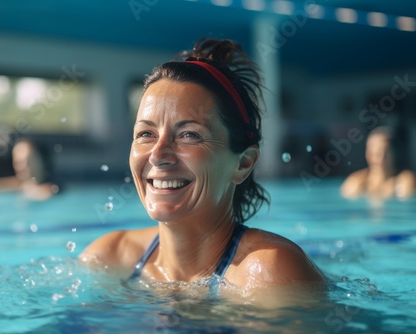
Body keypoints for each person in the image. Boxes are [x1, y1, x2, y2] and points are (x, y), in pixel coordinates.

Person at [79, 38, 325, 306]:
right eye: (146, 133)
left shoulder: (269, 274)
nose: (158, 155)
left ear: (243, 163)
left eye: (189, 135)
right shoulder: (107, 258)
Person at [341, 126, 416, 199]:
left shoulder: (403, 180)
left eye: (386, 153)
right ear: (368, 154)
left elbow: (406, 197)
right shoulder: (356, 182)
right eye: (376, 154)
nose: (381, 159)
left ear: (395, 154)